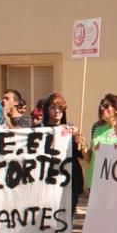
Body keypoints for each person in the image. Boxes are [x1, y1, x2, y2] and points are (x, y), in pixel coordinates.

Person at [41, 93, 86, 222]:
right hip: (48, 181)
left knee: (67, 219)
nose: (57, 111)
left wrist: (82, 144)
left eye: (60, 108)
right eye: (53, 107)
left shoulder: (72, 129)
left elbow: (83, 156)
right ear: (47, 110)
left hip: (70, 181)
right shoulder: (39, 130)